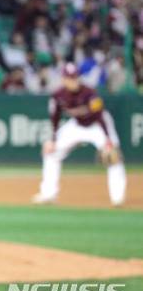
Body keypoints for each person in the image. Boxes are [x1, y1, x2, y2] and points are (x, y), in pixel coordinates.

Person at [33, 63, 127, 206]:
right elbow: (55, 117)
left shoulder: (89, 93)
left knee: (113, 156)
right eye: (70, 78)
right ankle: (48, 194)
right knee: (50, 151)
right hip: (77, 125)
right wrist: (52, 139)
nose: (74, 81)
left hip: (98, 125)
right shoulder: (58, 95)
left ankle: (117, 198)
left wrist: (108, 140)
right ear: (63, 79)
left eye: (75, 77)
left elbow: (100, 116)